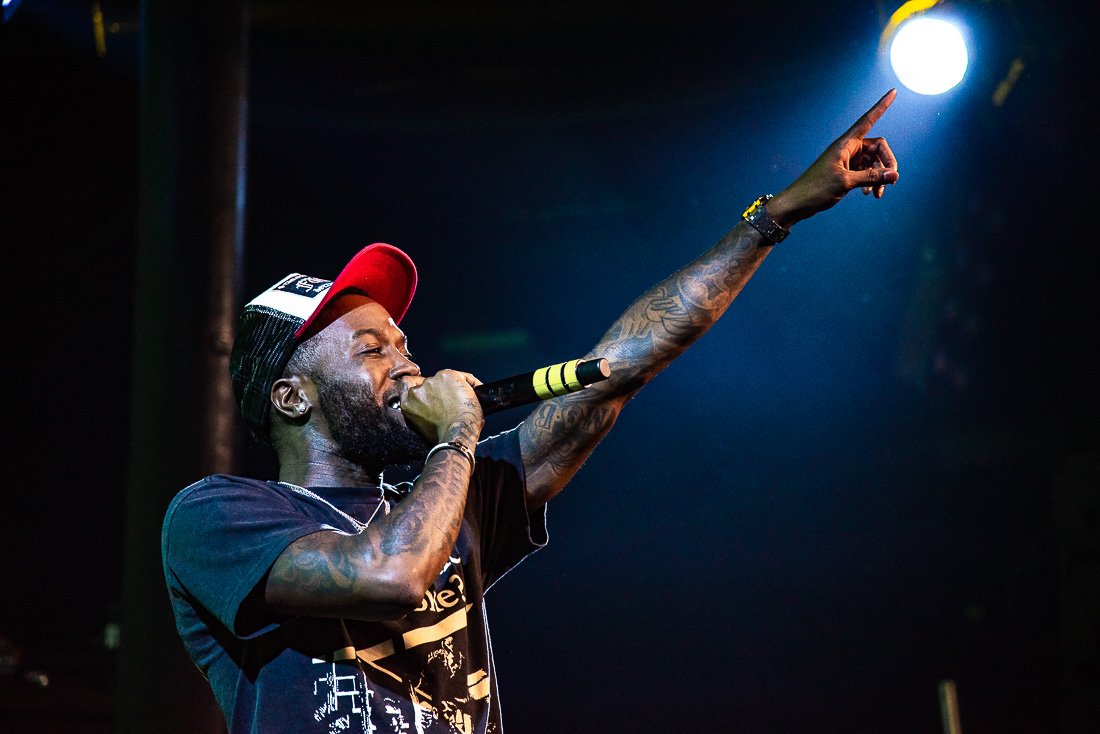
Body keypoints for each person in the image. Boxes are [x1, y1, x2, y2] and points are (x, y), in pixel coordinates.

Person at [162, 90, 901, 734]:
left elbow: (623, 364)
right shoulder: (221, 515)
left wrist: (776, 213)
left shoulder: (458, 495)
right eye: (370, 351)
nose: (408, 361)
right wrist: (456, 434)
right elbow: (387, 576)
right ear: (292, 397)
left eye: (403, 340)